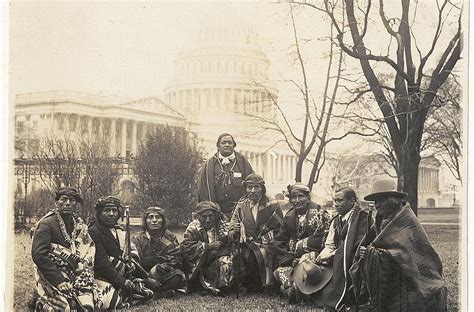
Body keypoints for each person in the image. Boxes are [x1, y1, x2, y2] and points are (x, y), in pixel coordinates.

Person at [350, 190, 446, 311]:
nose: (377, 205)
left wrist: (371, 252)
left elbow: (405, 254)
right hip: (392, 272)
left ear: (391, 200)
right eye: (376, 202)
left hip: (411, 277)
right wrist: (366, 251)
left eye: (381, 200)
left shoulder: (404, 218)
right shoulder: (381, 219)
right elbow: (370, 242)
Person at [31, 187, 101, 311]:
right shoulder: (46, 224)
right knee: (66, 308)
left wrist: (82, 268)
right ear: (56, 202)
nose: (68, 203)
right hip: (52, 274)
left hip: (77, 272)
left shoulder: (79, 224)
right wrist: (58, 280)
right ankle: (39, 301)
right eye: (64, 199)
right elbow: (39, 255)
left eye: (72, 200)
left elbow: (89, 247)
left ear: (76, 204)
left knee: (87, 305)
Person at [310, 187, 372, 310]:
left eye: (340, 200)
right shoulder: (336, 220)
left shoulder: (362, 218)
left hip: (354, 262)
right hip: (337, 260)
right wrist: (322, 257)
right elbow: (330, 245)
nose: (336, 204)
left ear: (352, 201)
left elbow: (358, 246)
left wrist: (334, 256)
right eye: (334, 200)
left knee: (328, 294)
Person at [88, 196, 154, 308]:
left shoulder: (120, 230)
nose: (111, 214)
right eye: (106, 210)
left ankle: (132, 291)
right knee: (112, 301)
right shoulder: (93, 231)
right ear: (99, 214)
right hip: (102, 276)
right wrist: (121, 281)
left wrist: (131, 262)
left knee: (148, 293)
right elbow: (101, 262)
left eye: (114, 210)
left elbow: (130, 251)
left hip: (122, 274)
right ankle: (124, 295)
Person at [271, 183, 330, 304]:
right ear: (291, 200)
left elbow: (322, 239)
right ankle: (293, 289)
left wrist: (298, 246)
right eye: (294, 197)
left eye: (301, 196)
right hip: (293, 258)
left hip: (314, 255)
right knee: (279, 272)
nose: (297, 200)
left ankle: (300, 291)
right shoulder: (289, 216)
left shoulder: (320, 213)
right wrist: (289, 258)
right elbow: (278, 240)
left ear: (308, 198)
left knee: (307, 269)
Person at [228, 173, 283, 293]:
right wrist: (235, 231)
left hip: (267, 243)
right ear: (245, 189)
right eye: (249, 187)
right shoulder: (241, 205)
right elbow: (231, 227)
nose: (253, 191)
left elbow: (279, 229)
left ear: (262, 189)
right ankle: (242, 284)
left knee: (263, 252)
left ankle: (268, 285)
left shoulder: (272, 204)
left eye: (256, 187)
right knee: (238, 254)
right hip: (246, 242)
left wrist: (260, 241)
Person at [181, 201, 235, 295]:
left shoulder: (224, 226)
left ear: (217, 216)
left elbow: (231, 245)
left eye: (211, 216)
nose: (208, 220)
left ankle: (222, 286)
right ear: (199, 217)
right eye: (204, 216)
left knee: (227, 260)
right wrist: (207, 246)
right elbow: (185, 248)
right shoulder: (193, 227)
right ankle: (203, 285)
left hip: (218, 261)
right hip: (200, 265)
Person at [132, 207, 186, 298]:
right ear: (145, 221)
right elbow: (135, 261)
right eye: (150, 217)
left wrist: (157, 270)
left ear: (163, 220)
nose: (154, 220)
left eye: (158, 217)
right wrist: (147, 278)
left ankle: (151, 292)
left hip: (162, 273)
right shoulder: (137, 238)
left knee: (178, 276)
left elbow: (176, 259)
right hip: (142, 274)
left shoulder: (170, 238)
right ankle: (159, 293)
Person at [197, 133, 254, 219]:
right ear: (218, 146)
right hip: (217, 212)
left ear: (234, 145)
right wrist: (212, 208)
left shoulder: (242, 162)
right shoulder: (209, 164)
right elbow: (203, 189)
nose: (227, 145)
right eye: (224, 143)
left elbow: (252, 182)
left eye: (229, 142)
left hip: (240, 212)